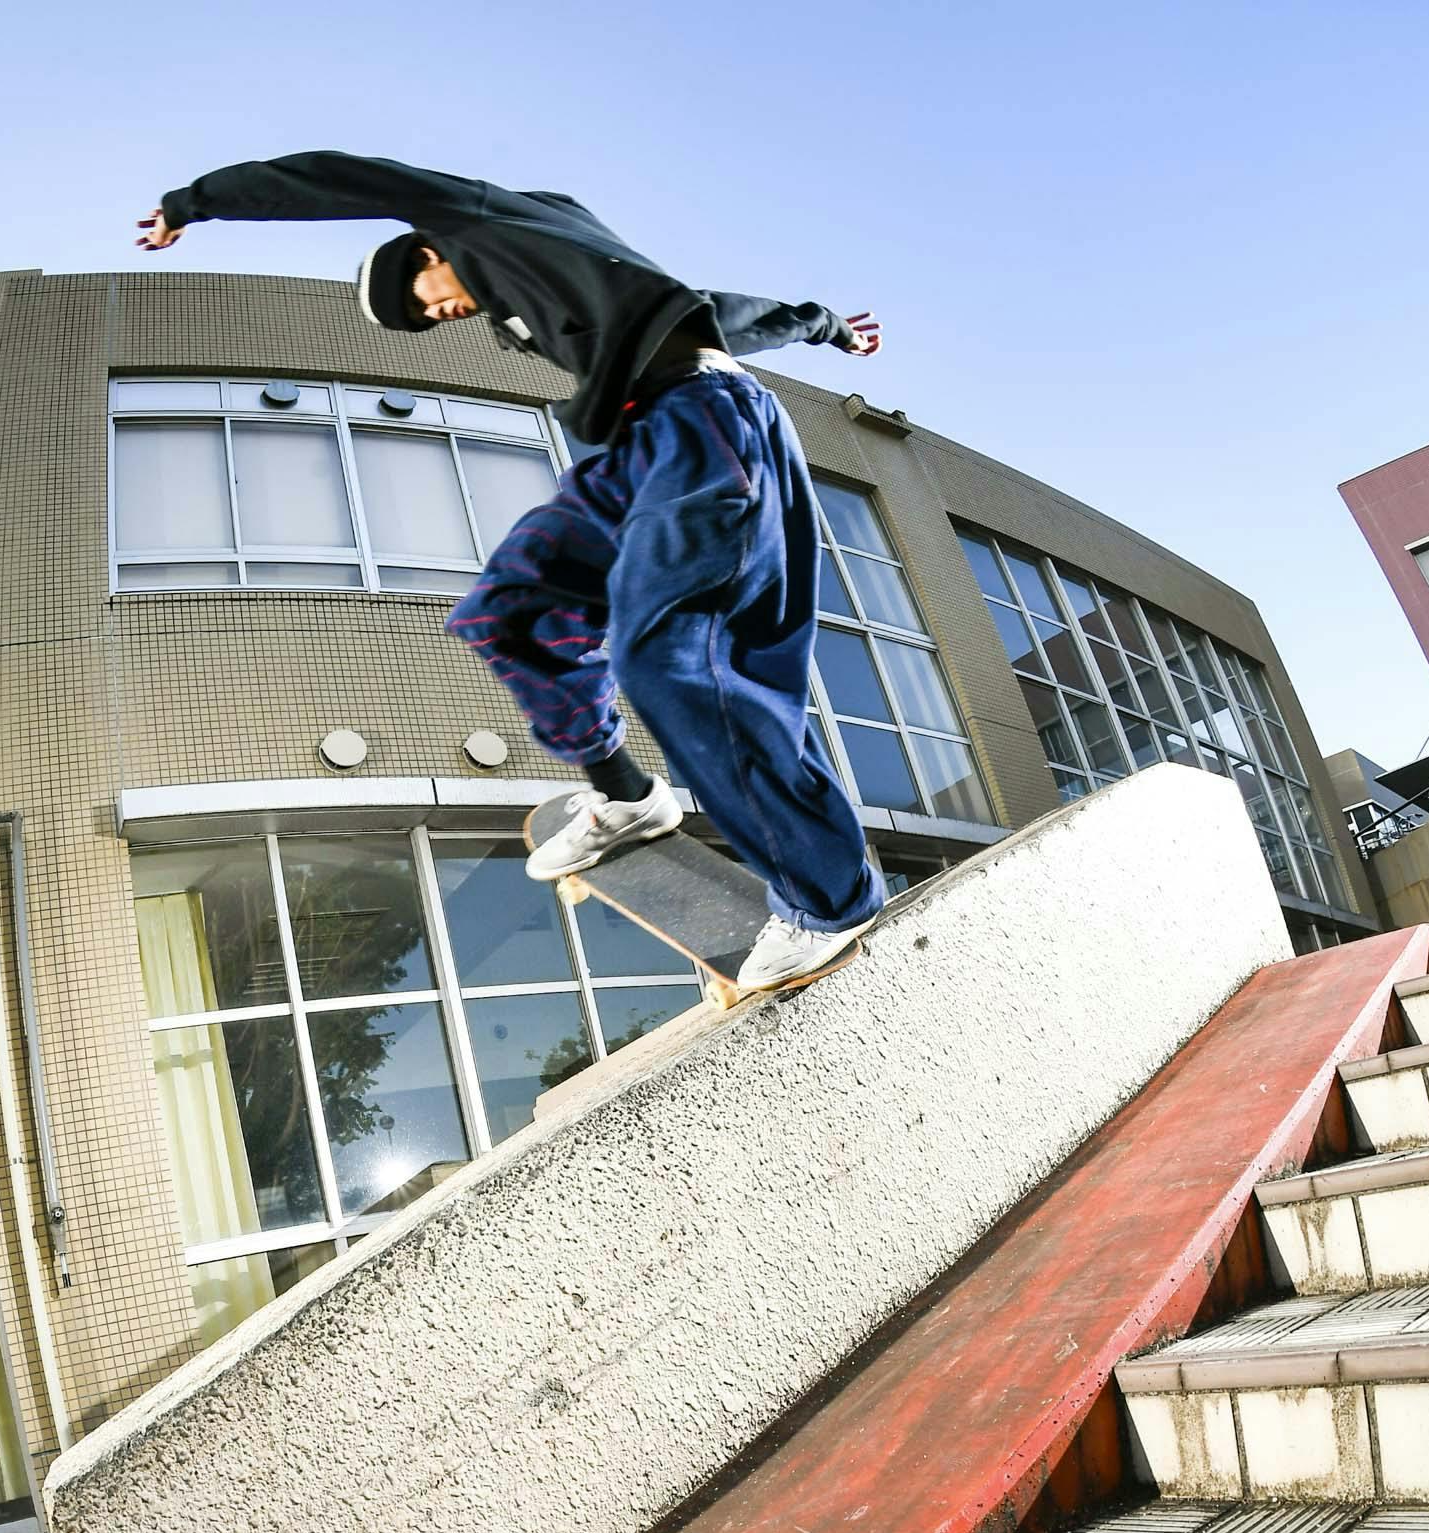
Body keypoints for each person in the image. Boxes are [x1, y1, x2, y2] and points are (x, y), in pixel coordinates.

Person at [138, 152, 886, 994]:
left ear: (422, 253)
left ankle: (830, 898)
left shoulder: (477, 219)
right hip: (650, 443)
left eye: (424, 307)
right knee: (512, 607)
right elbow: (712, 315)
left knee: (678, 661)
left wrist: (191, 205)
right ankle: (626, 794)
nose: (446, 314)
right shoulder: (574, 278)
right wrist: (827, 327)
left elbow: (342, 175)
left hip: (712, 434)